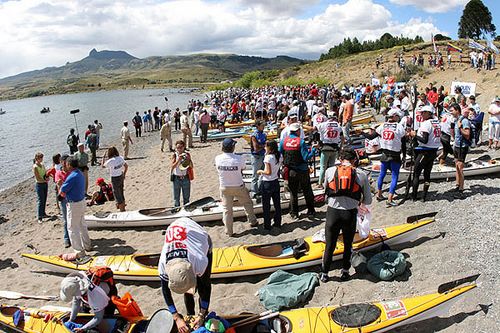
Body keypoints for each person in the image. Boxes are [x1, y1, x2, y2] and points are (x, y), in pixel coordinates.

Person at [320, 146, 372, 282]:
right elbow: (368, 199)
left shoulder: (330, 171)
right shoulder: (361, 174)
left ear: (340, 159)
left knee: (330, 245)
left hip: (333, 213)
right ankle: (345, 271)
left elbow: (325, 191)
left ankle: (325, 274)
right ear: (354, 160)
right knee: (348, 244)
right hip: (349, 213)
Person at [159, 218, 212, 333]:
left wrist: (202, 314)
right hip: (176, 233)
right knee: (187, 289)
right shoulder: (163, 266)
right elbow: (165, 291)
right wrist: (176, 317)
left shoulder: (200, 260)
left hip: (198, 236)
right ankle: (191, 314)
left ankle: (202, 313)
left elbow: (207, 286)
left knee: (201, 286)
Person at [215, 138, 257, 236]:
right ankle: (252, 221)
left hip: (224, 186)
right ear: (232, 147)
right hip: (238, 185)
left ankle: (229, 231)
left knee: (227, 210)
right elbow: (243, 168)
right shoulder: (239, 158)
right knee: (247, 203)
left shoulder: (218, 158)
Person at [279, 122, 317, 219]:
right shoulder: (301, 142)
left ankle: (294, 213)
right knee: (307, 191)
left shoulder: (283, 141)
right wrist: (313, 151)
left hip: (290, 170)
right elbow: (305, 157)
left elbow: (280, 153)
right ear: (298, 131)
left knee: (293, 192)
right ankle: (311, 211)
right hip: (302, 170)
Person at [58, 156, 91, 260]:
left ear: (70, 165)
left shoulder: (72, 176)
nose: (65, 166)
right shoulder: (79, 173)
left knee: (72, 227)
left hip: (74, 204)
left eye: (67, 164)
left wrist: (60, 193)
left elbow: (62, 192)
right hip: (81, 202)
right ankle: (87, 245)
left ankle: (79, 251)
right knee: (82, 224)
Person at [409, 105, 442, 201]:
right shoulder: (436, 122)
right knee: (427, 174)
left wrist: (415, 135)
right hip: (433, 152)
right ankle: (424, 196)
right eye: (421, 112)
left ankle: (414, 196)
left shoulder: (426, 123)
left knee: (416, 174)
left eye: (424, 112)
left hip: (424, 151)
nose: (422, 114)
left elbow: (424, 140)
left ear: (429, 113)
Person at [375, 109, 406, 206]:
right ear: (395, 116)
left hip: (385, 153)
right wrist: (404, 155)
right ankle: (390, 198)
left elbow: (377, 133)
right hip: (395, 154)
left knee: (382, 174)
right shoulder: (399, 126)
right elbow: (403, 141)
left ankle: (379, 193)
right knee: (394, 176)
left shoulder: (382, 125)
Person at [256, 140, 282, 231]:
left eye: (266, 146)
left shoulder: (268, 157)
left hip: (267, 182)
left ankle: (267, 225)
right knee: (277, 204)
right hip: (275, 181)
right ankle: (278, 222)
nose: (264, 148)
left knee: (266, 206)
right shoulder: (279, 156)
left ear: (269, 148)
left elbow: (268, 172)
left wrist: (260, 171)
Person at [316, 113, 343, 188]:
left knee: (323, 167)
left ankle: (320, 183)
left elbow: (315, 130)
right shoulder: (338, 125)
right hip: (334, 148)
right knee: (332, 167)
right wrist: (340, 147)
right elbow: (342, 137)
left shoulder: (323, 124)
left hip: (325, 148)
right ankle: (331, 182)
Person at [450, 103, 471, 197]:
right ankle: (457, 185)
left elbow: (467, 134)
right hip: (457, 145)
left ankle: (461, 189)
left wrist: (460, 127)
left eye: (452, 110)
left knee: (460, 167)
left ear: (457, 110)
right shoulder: (456, 120)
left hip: (462, 147)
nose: (451, 112)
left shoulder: (464, 121)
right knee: (456, 166)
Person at [102, 147, 128, 211]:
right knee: (121, 192)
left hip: (115, 178)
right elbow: (126, 166)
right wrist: (124, 174)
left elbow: (102, 166)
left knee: (117, 194)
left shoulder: (110, 161)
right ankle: (122, 207)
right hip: (120, 176)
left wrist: (103, 158)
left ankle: (122, 210)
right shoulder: (120, 158)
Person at [171, 140, 193, 207]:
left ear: (184, 147)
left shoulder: (187, 154)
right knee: (176, 199)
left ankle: (186, 210)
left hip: (185, 177)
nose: (179, 149)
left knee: (186, 198)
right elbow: (172, 166)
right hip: (176, 178)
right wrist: (178, 160)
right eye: (177, 148)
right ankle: (177, 210)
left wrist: (188, 159)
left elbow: (192, 166)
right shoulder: (174, 155)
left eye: (180, 147)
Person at [56, 154, 71, 248]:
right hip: (64, 198)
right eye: (63, 162)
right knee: (66, 219)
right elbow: (59, 186)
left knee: (73, 218)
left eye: (66, 162)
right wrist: (60, 185)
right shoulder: (58, 173)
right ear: (61, 162)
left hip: (72, 197)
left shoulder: (71, 171)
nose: (65, 164)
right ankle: (66, 238)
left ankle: (73, 237)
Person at [250, 120, 267, 197]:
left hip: (263, 155)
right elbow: (256, 148)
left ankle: (260, 190)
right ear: (257, 126)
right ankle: (254, 192)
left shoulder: (263, 134)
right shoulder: (254, 135)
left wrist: (262, 146)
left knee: (263, 173)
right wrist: (263, 146)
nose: (263, 126)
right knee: (255, 176)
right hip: (256, 157)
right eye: (262, 125)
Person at [33, 152, 49, 224]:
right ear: (37, 158)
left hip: (45, 183)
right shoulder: (35, 167)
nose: (42, 159)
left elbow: (45, 173)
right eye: (40, 158)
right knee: (40, 200)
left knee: (44, 198)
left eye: (42, 158)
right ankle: (39, 217)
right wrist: (45, 180)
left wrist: (47, 177)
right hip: (39, 184)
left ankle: (43, 213)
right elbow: (38, 177)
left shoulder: (42, 165)